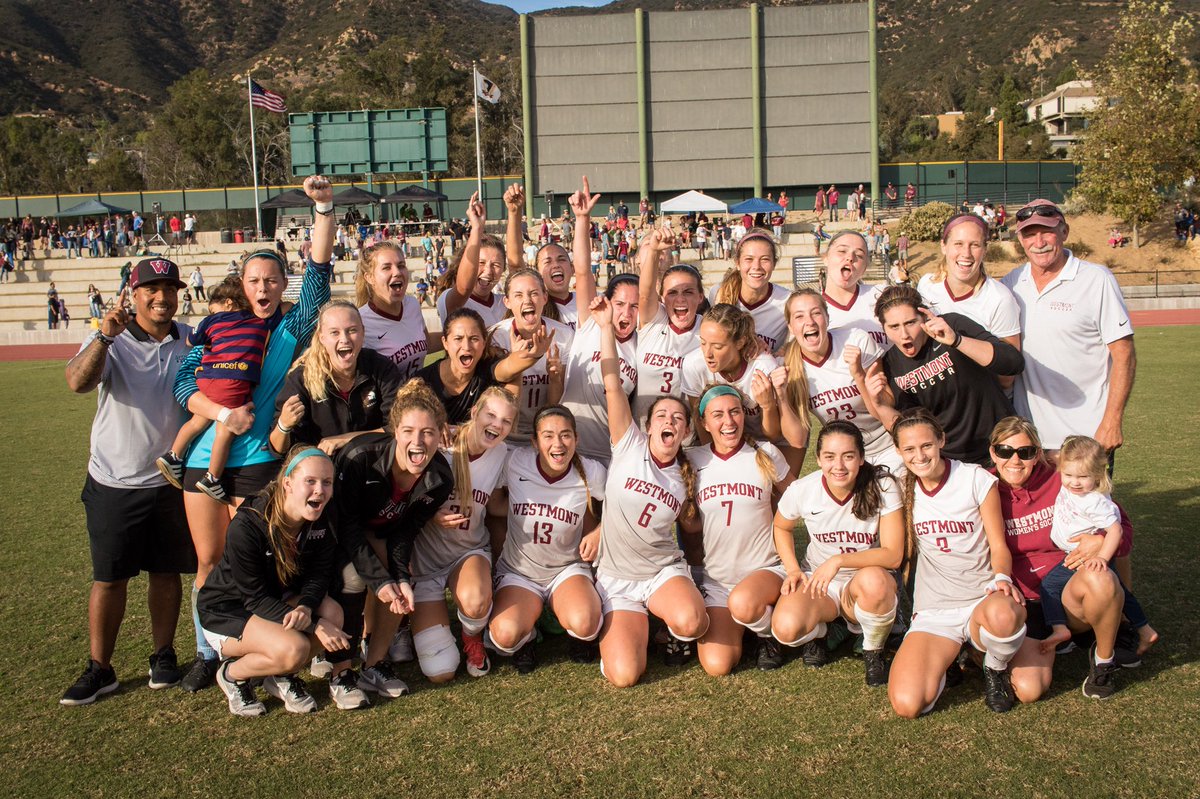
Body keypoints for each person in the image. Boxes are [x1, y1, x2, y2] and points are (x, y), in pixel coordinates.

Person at [172, 174, 334, 693]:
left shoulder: (288, 331)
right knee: (208, 561)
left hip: (262, 461)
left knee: (264, 564)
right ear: (241, 286)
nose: (263, 289)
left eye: (272, 280)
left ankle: (266, 651)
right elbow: (183, 385)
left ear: (281, 283)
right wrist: (221, 418)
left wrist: (323, 211)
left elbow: (320, 278)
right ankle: (206, 651)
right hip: (204, 457)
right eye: (254, 281)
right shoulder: (218, 332)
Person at [60, 259, 196, 706]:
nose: (162, 297)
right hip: (114, 480)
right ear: (133, 294)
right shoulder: (111, 338)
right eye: (151, 289)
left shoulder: (189, 338)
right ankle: (101, 668)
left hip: (168, 480)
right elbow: (77, 383)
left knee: (166, 571)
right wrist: (104, 336)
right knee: (110, 578)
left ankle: (163, 655)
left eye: (169, 288)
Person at [591, 295, 708, 687]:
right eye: (662, 415)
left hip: (660, 572)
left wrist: (700, 576)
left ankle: (666, 627)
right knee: (625, 676)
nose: (670, 420)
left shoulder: (689, 473)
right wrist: (607, 328)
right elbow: (611, 384)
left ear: (687, 432)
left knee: (693, 622)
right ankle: (630, 630)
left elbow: (692, 534)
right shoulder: (629, 443)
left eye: (678, 418)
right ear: (647, 423)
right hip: (616, 578)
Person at [989, 418, 1150, 703]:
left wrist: (1101, 542)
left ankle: (1103, 660)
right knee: (1029, 690)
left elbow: (1121, 528)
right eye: (1004, 451)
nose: (1015, 460)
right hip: (1023, 602)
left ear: (1038, 453)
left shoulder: (1063, 477)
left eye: (1025, 452)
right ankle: (1064, 640)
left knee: (1101, 576)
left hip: (1069, 591)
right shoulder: (984, 486)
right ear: (992, 452)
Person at [197, 448, 363, 715]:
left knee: (333, 613)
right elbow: (253, 598)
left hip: (276, 599)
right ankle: (232, 674)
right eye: (310, 481)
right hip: (229, 609)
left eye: (327, 482)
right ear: (287, 483)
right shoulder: (248, 525)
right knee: (294, 648)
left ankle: (279, 674)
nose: (319, 491)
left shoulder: (323, 515)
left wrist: (307, 608)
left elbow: (319, 574)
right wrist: (314, 624)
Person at [886, 409, 1028, 717]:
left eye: (926, 445)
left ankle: (994, 668)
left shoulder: (974, 478)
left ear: (941, 440)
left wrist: (1002, 577)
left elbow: (998, 545)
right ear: (898, 451)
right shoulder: (899, 485)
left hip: (982, 600)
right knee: (908, 704)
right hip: (936, 609)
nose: (919, 455)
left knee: (1007, 624)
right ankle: (950, 657)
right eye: (909, 449)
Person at [330, 380, 455, 699]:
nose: (418, 441)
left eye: (428, 432)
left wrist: (397, 577)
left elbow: (405, 530)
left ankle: (374, 664)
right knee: (356, 578)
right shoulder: (360, 457)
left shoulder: (440, 478)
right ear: (395, 431)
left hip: (379, 532)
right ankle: (340, 670)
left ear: (440, 434)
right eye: (409, 431)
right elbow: (346, 526)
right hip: (333, 532)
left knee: (402, 586)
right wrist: (381, 580)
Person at [771, 421, 903, 685]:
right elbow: (781, 526)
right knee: (785, 629)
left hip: (865, 581)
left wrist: (839, 560)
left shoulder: (883, 486)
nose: (839, 466)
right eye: (830, 456)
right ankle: (828, 629)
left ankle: (873, 648)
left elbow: (893, 555)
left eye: (849, 456)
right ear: (818, 459)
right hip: (822, 582)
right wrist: (794, 569)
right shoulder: (803, 489)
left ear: (862, 458)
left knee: (875, 582)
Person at [1001, 199, 1136, 456]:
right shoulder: (1011, 283)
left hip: (1087, 436)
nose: (1038, 242)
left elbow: (1124, 354)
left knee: (1089, 498)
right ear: (1020, 240)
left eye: (1047, 232)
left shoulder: (1097, 280)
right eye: (1029, 234)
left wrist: (1112, 420)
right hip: (1028, 439)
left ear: (1064, 231)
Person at [686, 385, 794, 675]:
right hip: (718, 581)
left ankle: (767, 634)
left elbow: (800, 498)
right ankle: (749, 623)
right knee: (717, 666)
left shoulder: (765, 452)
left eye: (734, 412)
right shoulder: (693, 459)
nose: (728, 421)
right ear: (705, 424)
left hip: (764, 570)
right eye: (718, 415)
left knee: (744, 602)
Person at [489, 405, 607, 672]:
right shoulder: (515, 461)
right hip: (519, 571)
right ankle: (527, 635)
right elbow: (493, 501)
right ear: (534, 441)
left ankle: (576, 636)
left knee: (586, 623)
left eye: (566, 435)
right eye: (548, 436)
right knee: (505, 635)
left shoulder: (591, 472)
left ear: (576, 439)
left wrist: (600, 530)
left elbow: (622, 503)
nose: (558, 444)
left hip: (566, 569)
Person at [410, 389, 516, 683]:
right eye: (491, 415)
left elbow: (494, 504)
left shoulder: (501, 453)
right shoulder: (440, 444)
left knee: (476, 601)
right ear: (474, 413)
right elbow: (402, 496)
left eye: (506, 421)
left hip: (467, 552)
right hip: (425, 565)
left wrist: (537, 509)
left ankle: (472, 636)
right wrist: (432, 513)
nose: (497, 425)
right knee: (440, 671)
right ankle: (411, 625)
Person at [852, 284, 1024, 465]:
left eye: (910, 323)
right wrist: (878, 402)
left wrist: (957, 341)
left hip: (1003, 448)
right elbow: (904, 429)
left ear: (923, 316)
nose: (904, 335)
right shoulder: (892, 365)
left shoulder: (952, 325)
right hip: (954, 463)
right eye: (894, 326)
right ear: (883, 328)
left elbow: (1013, 363)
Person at [1036, 436, 1156, 662]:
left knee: (1049, 586)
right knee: (1121, 592)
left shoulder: (1094, 501)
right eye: (1068, 475)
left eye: (1083, 477)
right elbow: (1056, 458)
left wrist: (1101, 557)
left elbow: (1116, 530)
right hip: (1081, 554)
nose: (1074, 482)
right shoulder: (1072, 484)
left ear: (1098, 475)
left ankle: (1060, 629)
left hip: (1084, 557)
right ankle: (1145, 629)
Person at [157, 276, 269, 503]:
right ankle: (212, 477)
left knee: (198, 420)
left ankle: (173, 455)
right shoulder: (259, 323)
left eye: (212, 309)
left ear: (228, 302)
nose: (211, 314)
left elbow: (191, 342)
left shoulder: (211, 322)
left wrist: (210, 335)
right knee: (225, 431)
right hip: (234, 380)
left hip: (207, 379)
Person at [776, 288, 902, 474]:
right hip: (844, 459)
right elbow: (798, 440)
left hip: (888, 446)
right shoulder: (788, 366)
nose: (809, 322)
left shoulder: (856, 340)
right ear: (790, 327)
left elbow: (884, 407)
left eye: (816, 313)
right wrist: (781, 396)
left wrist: (858, 374)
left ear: (827, 318)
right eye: (799, 317)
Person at [270, 300, 403, 457]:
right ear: (321, 337)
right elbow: (278, 449)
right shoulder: (302, 378)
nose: (345, 339)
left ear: (363, 332)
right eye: (335, 332)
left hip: (376, 465)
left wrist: (346, 440)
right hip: (323, 472)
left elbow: (400, 427)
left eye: (352, 330)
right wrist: (283, 425)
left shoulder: (381, 367)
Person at [917, 214, 1022, 389]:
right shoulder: (926, 285)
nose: (966, 253)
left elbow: (1007, 377)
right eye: (958, 244)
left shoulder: (999, 299)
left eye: (975, 245)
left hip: (982, 403)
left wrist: (961, 345)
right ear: (943, 246)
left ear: (985, 249)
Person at [487, 268, 575, 441]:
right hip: (504, 434)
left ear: (545, 297)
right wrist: (516, 363)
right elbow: (496, 401)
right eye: (518, 295)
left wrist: (555, 378)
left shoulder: (564, 335)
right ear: (507, 301)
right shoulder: (496, 337)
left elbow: (556, 406)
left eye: (534, 293)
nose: (527, 300)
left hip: (545, 434)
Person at [633, 228, 704, 423]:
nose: (680, 298)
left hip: (687, 439)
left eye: (688, 292)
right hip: (643, 436)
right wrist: (654, 251)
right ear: (663, 298)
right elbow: (646, 293)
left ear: (700, 297)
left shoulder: (707, 331)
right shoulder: (654, 321)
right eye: (672, 293)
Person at [505, 181, 596, 330]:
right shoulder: (534, 305)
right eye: (547, 261)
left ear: (572, 268)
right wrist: (515, 213)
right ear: (537, 272)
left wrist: (582, 218)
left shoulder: (588, 301)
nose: (555, 264)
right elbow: (515, 263)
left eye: (561, 259)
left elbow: (583, 271)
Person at [355, 240, 436, 381]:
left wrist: (462, 338)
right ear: (369, 277)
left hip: (420, 398)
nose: (397, 272)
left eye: (401, 265)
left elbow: (427, 343)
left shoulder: (412, 304)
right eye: (386, 268)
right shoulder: (359, 322)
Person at [709, 229, 790, 353]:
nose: (756, 266)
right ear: (738, 263)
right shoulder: (717, 294)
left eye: (765, 259)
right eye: (749, 259)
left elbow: (791, 350)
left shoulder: (787, 301)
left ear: (774, 263)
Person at [437, 191, 507, 329]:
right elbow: (464, 288)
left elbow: (518, 266)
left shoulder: (506, 303)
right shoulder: (453, 301)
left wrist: (514, 212)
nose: (488, 271)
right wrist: (477, 228)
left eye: (496, 265)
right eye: (480, 263)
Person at [821, 231, 885, 347]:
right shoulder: (810, 309)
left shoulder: (882, 295)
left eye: (859, 256)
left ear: (865, 267)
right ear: (825, 258)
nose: (850, 258)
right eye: (842, 251)